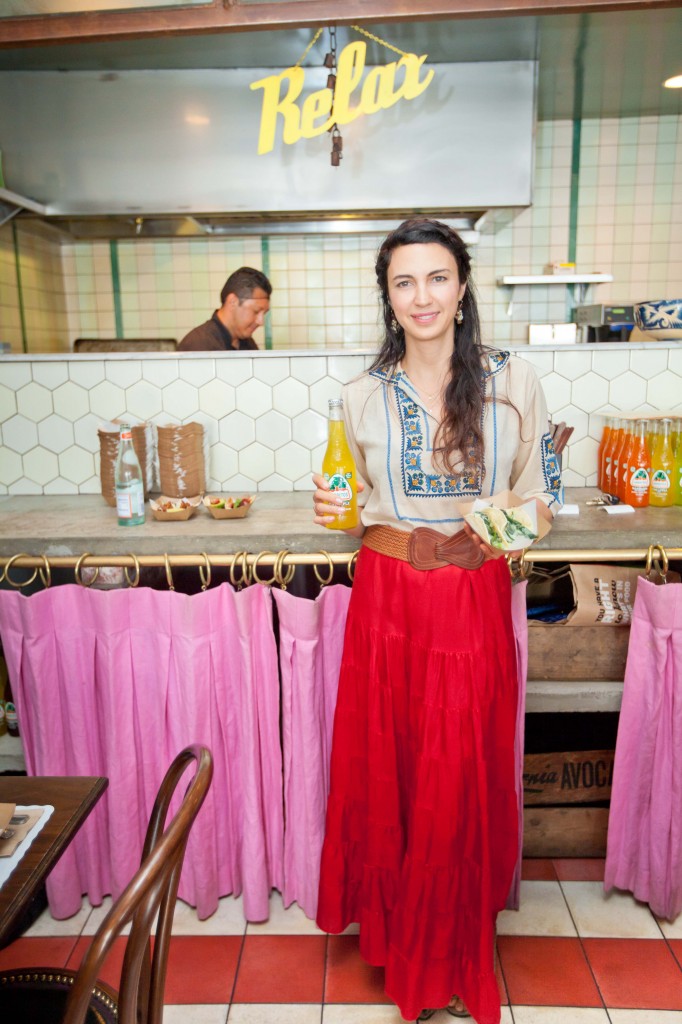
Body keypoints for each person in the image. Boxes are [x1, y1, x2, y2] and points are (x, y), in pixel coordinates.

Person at [311, 218, 562, 1024]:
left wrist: (504, 526)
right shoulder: (358, 396)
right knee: (398, 778)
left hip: (471, 598)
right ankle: (405, 954)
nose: (422, 296)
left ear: (462, 288)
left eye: (437, 278)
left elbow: (543, 504)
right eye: (404, 282)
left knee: (458, 778)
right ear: (388, 299)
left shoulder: (513, 381)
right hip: (387, 602)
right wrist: (330, 509)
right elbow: (347, 506)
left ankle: (453, 958)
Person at [178, 266, 271, 351]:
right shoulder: (199, 345)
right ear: (233, 301)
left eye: (264, 313)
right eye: (256, 311)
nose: (261, 321)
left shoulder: (247, 343)